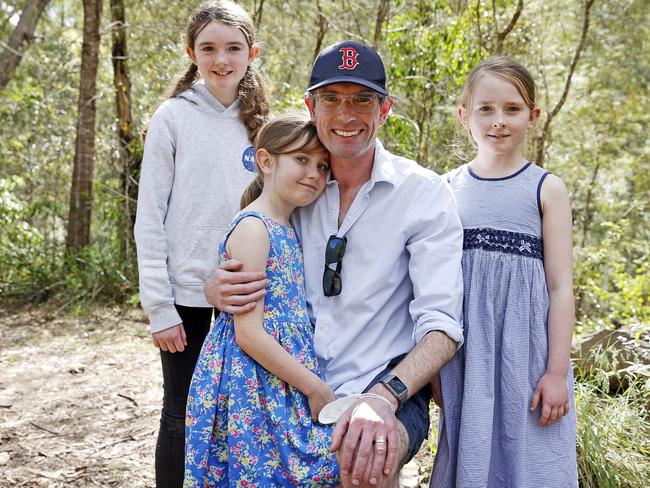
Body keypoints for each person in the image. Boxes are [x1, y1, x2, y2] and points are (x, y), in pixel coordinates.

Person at [205, 40, 464, 487]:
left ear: (384, 110)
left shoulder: (423, 194)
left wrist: (386, 397)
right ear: (311, 105)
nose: (347, 115)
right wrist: (217, 288)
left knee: (365, 458)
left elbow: (442, 327)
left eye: (362, 99)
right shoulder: (294, 187)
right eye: (332, 99)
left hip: (382, 385)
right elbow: (246, 249)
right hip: (282, 383)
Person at [133, 2, 270, 486]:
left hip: (249, 290)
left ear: (251, 53)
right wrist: (159, 307)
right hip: (186, 297)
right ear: (192, 53)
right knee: (182, 411)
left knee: (240, 410)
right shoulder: (173, 118)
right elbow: (148, 218)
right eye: (208, 49)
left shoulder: (263, 124)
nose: (222, 60)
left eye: (233, 48)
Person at [429, 56, 578, 487]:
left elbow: (561, 287)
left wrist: (555, 372)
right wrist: (434, 369)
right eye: (485, 109)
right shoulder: (445, 189)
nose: (498, 121)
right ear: (464, 116)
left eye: (512, 109)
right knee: (473, 456)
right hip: (468, 356)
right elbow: (430, 285)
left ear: (532, 117)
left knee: (534, 459)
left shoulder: (546, 188)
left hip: (529, 356)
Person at [184, 113, 339, 486]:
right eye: (301, 160)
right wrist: (315, 387)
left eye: (322, 165)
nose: (314, 173)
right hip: (249, 379)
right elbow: (248, 334)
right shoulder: (254, 229)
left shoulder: (290, 226)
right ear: (266, 161)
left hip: (280, 375)